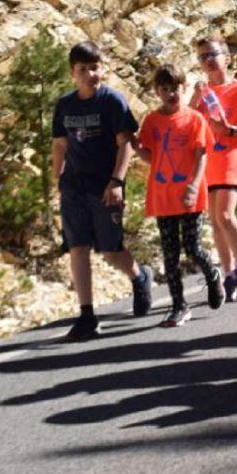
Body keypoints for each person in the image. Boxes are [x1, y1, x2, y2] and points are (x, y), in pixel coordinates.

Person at [51, 41, 153, 342]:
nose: (90, 75)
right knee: (77, 247)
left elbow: (126, 143)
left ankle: (140, 276)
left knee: (110, 252)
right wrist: (57, 182)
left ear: (102, 68)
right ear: (73, 73)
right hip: (74, 187)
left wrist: (117, 181)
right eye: (83, 70)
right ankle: (87, 315)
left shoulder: (112, 101)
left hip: (105, 186)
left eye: (95, 68)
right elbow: (60, 145)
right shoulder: (65, 105)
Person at [136, 64, 224, 327]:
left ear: (184, 88)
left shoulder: (194, 119)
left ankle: (212, 275)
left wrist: (195, 185)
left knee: (193, 247)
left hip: (189, 195)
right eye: (165, 89)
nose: (171, 93)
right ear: (157, 92)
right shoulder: (151, 121)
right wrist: (133, 145)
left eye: (175, 88)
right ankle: (179, 306)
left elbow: (201, 156)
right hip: (162, 196)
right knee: (170, 254)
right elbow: (151, 157)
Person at [191, 36, 237, 302]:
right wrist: (196, 98)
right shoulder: (202, 93)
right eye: (202, 57)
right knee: (216, 220)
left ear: (227, 57)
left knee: (225, 214)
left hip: (231, 159)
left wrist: (230, 130)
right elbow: (187, 120)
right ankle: (228, 272)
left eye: (212, 54)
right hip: (208, 163)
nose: (208, 60)